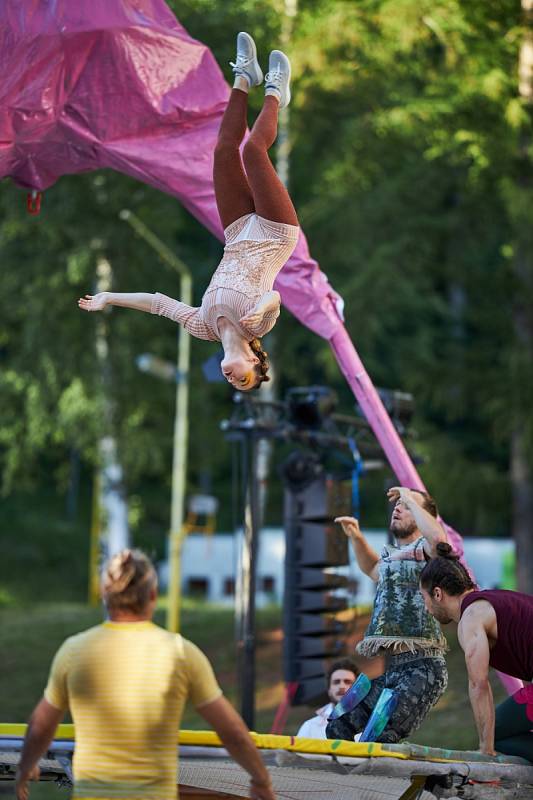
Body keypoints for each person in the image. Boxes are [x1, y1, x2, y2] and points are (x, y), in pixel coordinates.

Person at [78, 32, 299, 392]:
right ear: (256, 361)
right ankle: (276, 92)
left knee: (224, 151)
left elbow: (159, 304)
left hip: (238, 232)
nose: (233, 379)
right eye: (243, 379)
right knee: (253, 153)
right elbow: (275, 298)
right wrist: (262, 308)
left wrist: (109, 297)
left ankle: (245, 77)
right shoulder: (256, 325)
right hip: (274, 236)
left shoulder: (203, 327)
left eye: (233, 383)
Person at [15, 549, 276, 800]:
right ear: (153, 595)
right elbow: (233, 732)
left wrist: (25, 767)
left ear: (105, 594)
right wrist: (260, 780)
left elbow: (40, 726)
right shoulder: (179, 653)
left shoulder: (75, 650)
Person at [326, 486, 449, 743]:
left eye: (406, 505)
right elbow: (371, 567)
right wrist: (356, 536)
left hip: (423, 668)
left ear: (423, 515)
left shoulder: (430, 551)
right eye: (398, 504)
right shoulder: (393, 558)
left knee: (379, 735)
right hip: (394, 669)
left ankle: (381, 783)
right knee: (337, 724)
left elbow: (439, 540)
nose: (398, 507)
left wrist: (409, 497)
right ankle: (344, 782)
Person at [420, 544, 533, 762]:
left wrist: (485, 749)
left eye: (424, 600)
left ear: (437, 593)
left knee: (495, 732)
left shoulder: (471, 617)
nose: (426, 609)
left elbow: (479, 684)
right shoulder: (496, 601)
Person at [296, 658, 359, 739]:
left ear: (357, 689)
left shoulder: (369, 727)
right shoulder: (310, 727)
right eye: (336, 682)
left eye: (347, 682)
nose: (341, 686)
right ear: (329, 690)